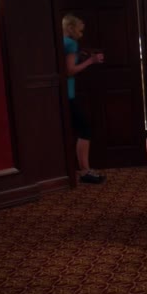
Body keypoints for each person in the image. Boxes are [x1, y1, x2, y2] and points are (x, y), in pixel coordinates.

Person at [62, 14, 105, 184]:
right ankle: (85, 170)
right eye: (79, 30)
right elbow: (70, 70)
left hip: (62, 94)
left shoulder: (62, 41)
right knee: (84, 129)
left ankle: (83, 169)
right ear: (72, 28)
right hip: (69, 93)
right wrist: (91, 61)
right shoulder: (71, 43)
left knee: (78, 128)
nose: (81, 33)